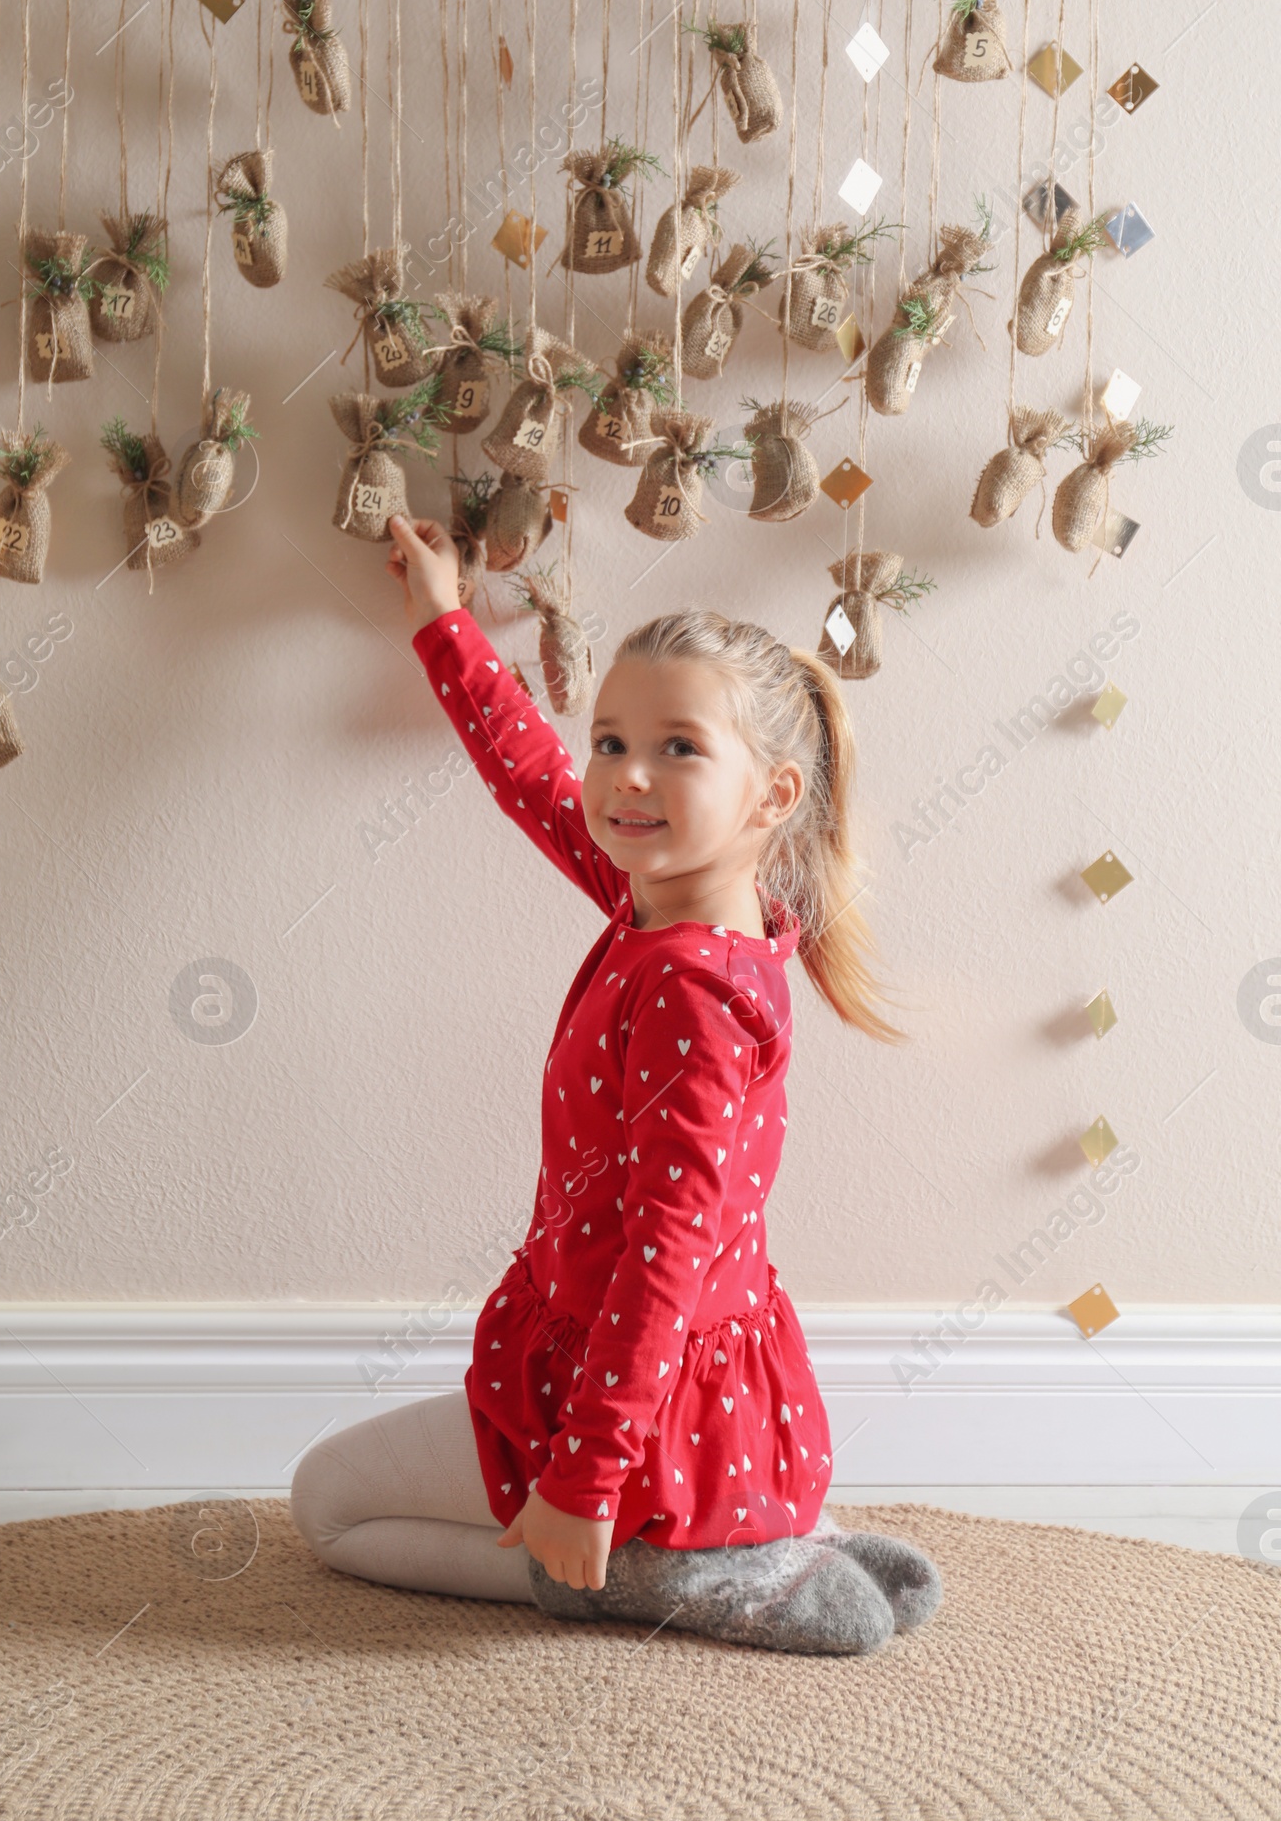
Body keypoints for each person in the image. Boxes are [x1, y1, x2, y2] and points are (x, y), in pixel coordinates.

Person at [288, 514, 942, 1653]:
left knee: (327, 1507)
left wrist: (585, 1482)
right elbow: (528, 775)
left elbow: (665, 1259)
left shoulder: (689, 988)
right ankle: (762, 1540)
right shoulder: (678, 908)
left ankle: (662, 1578)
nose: (624, 776)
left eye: (678, 748)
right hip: (682, 1403)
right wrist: (445, 620)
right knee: (359, 1495)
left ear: (771, 796)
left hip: (620, 1406)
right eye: (609, 741)